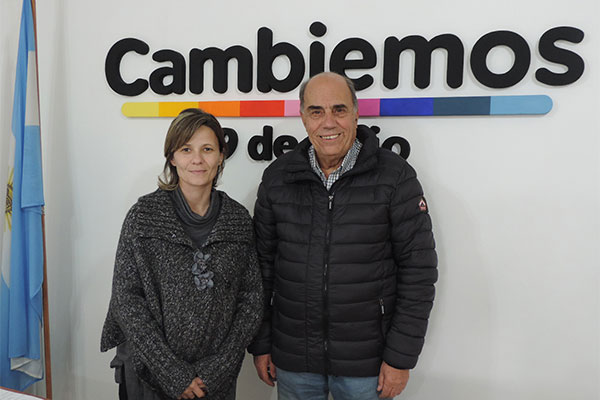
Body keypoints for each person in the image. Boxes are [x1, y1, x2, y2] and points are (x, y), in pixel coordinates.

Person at [249, 72, 438, 400]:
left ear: (356, 113)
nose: (328, 122)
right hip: (294, 359)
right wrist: (261, 343)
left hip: (368, 364)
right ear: (303, 117)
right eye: (316, 111)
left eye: (339, 110)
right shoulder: (278, 178)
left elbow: (418, 272)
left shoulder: (395, 177)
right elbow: (260, 271)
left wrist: (400, 357)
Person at [101, 108, 263, 400]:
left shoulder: (238, 221)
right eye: (186, 149)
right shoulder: (143, 217)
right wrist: (173, 373)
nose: (197, 159)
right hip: (147, 374)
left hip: (214, 382)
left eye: (207, 149)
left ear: (221, 156)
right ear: (172, 157)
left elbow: (251, 301)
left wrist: (217, 370)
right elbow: (126, 300)